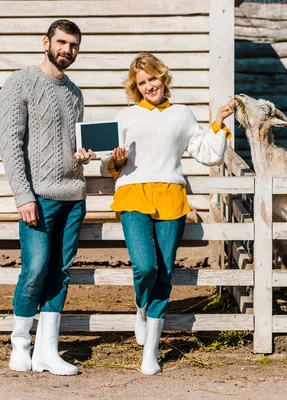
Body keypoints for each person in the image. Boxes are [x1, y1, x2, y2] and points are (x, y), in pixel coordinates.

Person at [101, 52, 236, 375]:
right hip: (133, 194)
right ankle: (140, 307)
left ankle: (151, 352)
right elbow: (105, 162)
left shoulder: (181, 115)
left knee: (165, 272)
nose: (150, 86)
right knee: (145, 266)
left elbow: (208, 153)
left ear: (164, 78)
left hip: (171, 197)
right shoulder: (125, 116)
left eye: (153, 78)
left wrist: (218, 122)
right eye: (142, 82)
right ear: (136, 87)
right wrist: (116, 161)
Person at [0, 19, 95, 376]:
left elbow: (69, 145)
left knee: (60, 272)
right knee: (35, 270)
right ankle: (20, 345)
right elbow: (10, 144)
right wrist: (24, 196)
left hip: (73, 196)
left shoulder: (75, 93)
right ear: (46, 42)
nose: (67, 50)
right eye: (62, 42)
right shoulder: (20, 82)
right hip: (37, 198)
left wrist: (82, 156)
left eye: (74, 45)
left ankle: (47, 351)